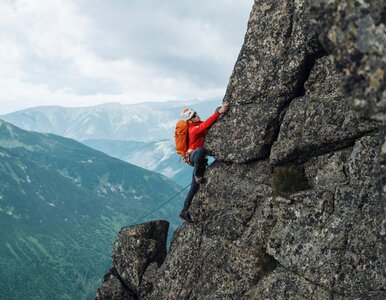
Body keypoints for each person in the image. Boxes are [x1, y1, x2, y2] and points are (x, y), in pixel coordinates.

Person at [179, 103, 229, 223]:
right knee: (200, 150)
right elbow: (205, 126)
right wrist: (218, 112)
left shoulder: (198, 124)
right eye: (194, 115)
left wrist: (217, 112)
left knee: (194, 188)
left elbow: (207, 123)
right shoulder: (192, 129)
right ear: (190, 120)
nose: (197, 115)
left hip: (199, 160)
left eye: (196, 113)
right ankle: (197, 174)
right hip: (193, 156)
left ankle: (184, 211)